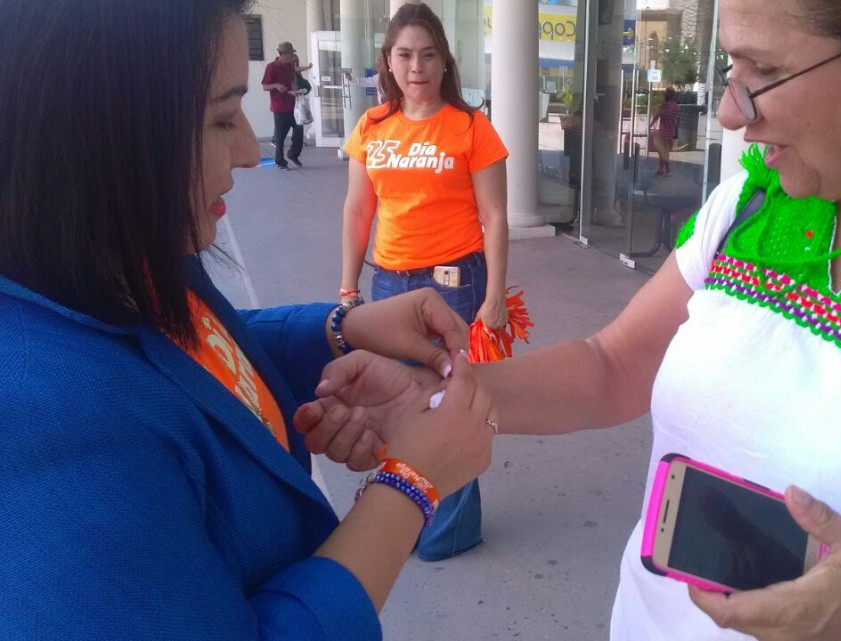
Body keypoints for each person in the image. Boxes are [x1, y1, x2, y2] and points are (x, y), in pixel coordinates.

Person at [305, 0, 841, 638]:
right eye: (729, 67)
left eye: (760, 70)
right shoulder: (750, 204)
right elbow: (612, 364)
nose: (732, 112)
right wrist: (437, 395)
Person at [0, 1, 495, 639]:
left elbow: (186, 347)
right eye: (220, 118)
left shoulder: (125, 250)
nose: (244, 150)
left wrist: (340, 328)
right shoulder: (40, 424)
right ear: (99, 130)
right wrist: (411, 485)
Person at [336, 2, 510, 562]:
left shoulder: (471, 127)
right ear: (388, 61)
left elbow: (495, 217)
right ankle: (411, 514)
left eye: (429, 55)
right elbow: (358, 211)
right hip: (388, 285)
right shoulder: (372, 126)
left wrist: (495, 296)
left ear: (444, 61)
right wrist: (348, 291)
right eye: (406, 55)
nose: (417, 67)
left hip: (454, 284)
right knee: (398, 403)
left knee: (448, 404)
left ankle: (451, 530)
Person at [262, 41, 304, 169]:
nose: (292, 57)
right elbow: (265, 86)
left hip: (293, 105)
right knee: (280, 137)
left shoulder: (290, 66)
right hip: (279, 107)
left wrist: (297, 90)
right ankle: (280, 162)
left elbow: (293, 81)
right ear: (283, 54)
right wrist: (276, 85)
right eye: (291, 54)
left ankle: (293, 154)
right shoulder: (271, 67)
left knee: (299, 131)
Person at [648, 87, 680, 176]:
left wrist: (649, 126)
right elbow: (676, 119)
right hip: (671, 131)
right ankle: (666, 168)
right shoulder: (676, 106)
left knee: (661, 150)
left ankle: (662, 168)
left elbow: (656, 116)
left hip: (663, 131)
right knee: (665, 150)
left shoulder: (664, 105)